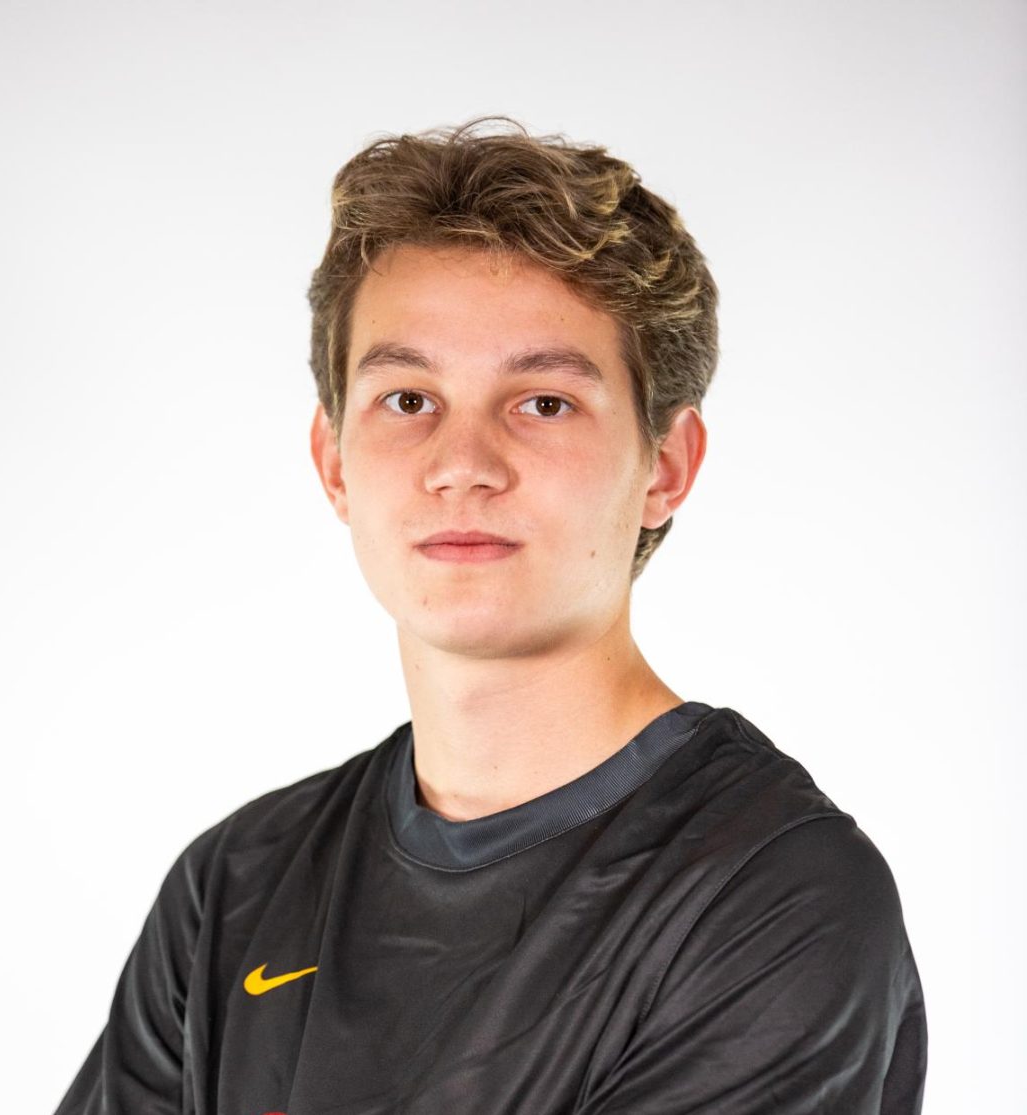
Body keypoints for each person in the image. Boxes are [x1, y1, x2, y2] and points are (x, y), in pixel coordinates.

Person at [53, 116, 927, 1115]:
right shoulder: (235, 888)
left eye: (543, 402)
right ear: (334, 460)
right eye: (409, 399)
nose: (462, 461)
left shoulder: (772, 897)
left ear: (667, 465)